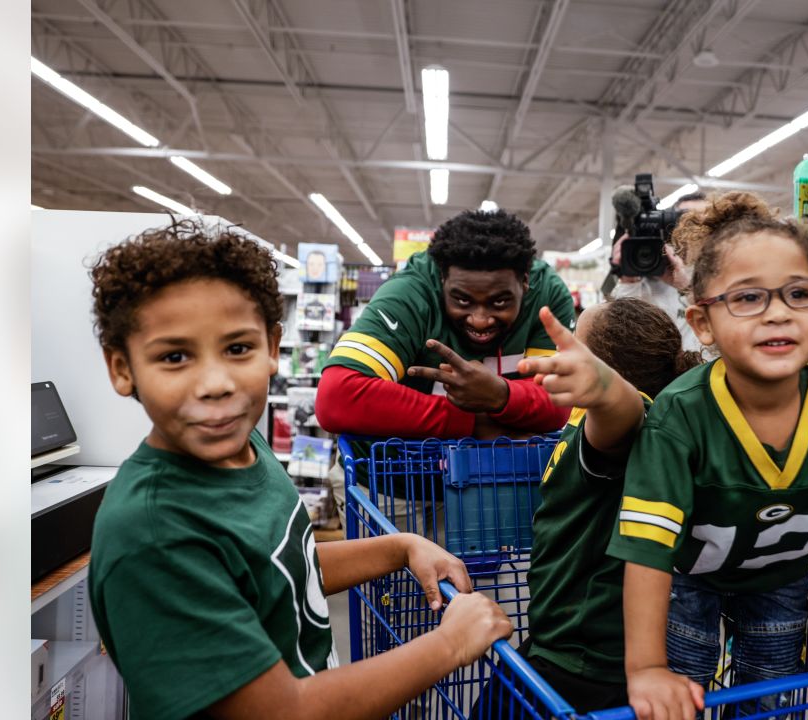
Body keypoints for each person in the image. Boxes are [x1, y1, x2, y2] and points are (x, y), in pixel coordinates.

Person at [86, 220, 513, 720]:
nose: (216, 383)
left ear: (272, 347)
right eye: (175, 356)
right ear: (121, 367)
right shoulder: (154, 534)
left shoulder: (246, 448)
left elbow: (282, 570)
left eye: (237, 348)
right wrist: (450, 646)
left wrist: (400, 547)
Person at [606, 193, 808, 720]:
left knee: (770, 698)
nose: (777, 312)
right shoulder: (678, 417)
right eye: (748, 298)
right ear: (702, 325)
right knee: (682, 687)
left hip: (779, 579)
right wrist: (645, 670)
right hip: (688, 576)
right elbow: (647, 552)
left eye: (798, 293)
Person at [479, 298, 701, 713]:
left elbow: (625, 410)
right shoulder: (582, 419)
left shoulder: (623, 431)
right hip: (558, 638)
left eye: (576, 343)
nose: (563, 353)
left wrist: (606, 390)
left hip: (582, 663)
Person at [315, 208, 574, 441]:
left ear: (525, 283)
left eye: (499, 302)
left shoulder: (546, 297)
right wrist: (470, 422)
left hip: (501, 479)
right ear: (442, 280)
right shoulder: (409, 292)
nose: (480, 320)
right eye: (462, 300)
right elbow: (337, 397)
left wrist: (500, 395)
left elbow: (559, 401)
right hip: (394, 481)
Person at [609, 192, 708, 354]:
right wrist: (628, 277)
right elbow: (622, 333)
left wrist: (686, 288)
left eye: (703, 220)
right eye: (684, 219)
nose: (694, 228)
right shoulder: (650, 267)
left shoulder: (721, 274)